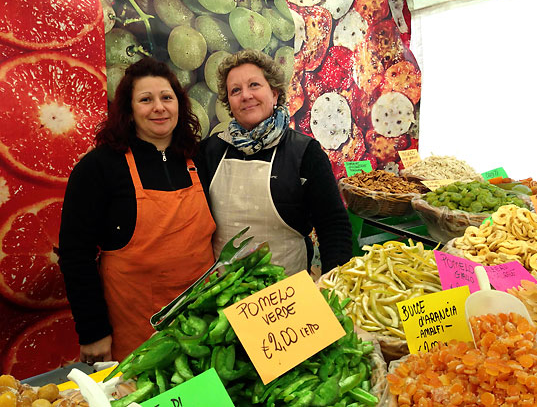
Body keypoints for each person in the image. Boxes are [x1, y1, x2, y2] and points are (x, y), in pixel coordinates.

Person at [59, 58, 215, 363]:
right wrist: (92, 331)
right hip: (135, 332)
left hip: (204, 326)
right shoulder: (99, 167)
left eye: (167, 98)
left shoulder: (200, 158)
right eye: (146, 100)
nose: (159, 107)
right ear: (129, 112)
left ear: (180, 106)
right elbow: (75, 254)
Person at [200, 49, 352, 275]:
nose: (245, 95)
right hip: (222, 298)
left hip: (288, 298)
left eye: (254, 85)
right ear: (228, 103)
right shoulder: (210, 151)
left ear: (274, 93)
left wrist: (333, 285)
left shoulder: (305, 152)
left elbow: (333, 225)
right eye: (235, 90)